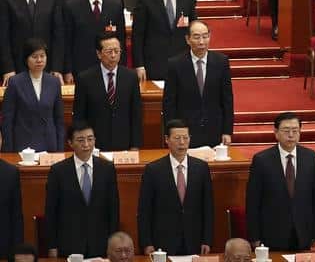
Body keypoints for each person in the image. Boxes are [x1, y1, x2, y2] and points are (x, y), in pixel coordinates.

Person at [245, 112, 315, 250]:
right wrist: (254, 236)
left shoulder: (311, 157)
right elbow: (253, 201)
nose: (291, 135)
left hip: (303, 231)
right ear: (276, 132)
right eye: (286, 130)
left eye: (295, 130)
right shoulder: (262, 160)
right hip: (272, 233)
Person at [137, 119, 214, 254]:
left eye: (185, 137)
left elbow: (208, 207)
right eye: (177, 138)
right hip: (163, 243)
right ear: (167, 139)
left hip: (194, 241)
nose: (182, 142)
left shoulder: (201, 168)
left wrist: (207, 240)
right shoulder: (153, 170)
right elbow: (145, 210)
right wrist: (146, 243)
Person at [44, 122, 119, 257]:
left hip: (100, 244)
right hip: (69, 244)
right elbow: (51, 212)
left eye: (90, 139)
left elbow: (113, 209)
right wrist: (52, 246)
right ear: (70, 143)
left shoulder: (107, 168)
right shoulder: (58, 171)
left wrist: (112, 244)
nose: (86, 144)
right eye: (80, 140)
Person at [164, 20, 234, 147]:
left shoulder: (221, 62)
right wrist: (172, 132)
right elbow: (169, 103)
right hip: (185, 133)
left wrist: (227, 131)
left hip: (214, 130)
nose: (201, 42)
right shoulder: (175, 65)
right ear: (187, 39)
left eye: (205, 36)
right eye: (196, 37)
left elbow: (227, 100)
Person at [132, 0, 197, 81]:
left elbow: (193, 28)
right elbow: (138, 35)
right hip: (155, 62)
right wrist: (139, 65)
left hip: (182, 61)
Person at [0, 0, 64, 81]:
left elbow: (58, 35)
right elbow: (3, 36)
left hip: (45, 66)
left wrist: (56, 68)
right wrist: (8, 68)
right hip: (17, 67)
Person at [73, 33, 142, 151]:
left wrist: (135, 145)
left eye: (117, 51)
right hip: (94, 144)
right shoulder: (85, 79)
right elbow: (79, 116)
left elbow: (136, 114)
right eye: (109, 51)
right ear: (99, 54)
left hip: (124, 143)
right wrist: (84, 144)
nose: (113, 55)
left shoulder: (130, 77)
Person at [0, 37, 64, 151]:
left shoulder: (54, 82)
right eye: (34, 56)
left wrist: (60, 149)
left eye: (42, 56)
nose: (39, 60)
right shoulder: (15, 82)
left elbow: (59, 119)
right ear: (26, 59)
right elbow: (7, 119)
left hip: (49, 144)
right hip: (23, 146)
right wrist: (8, 149)